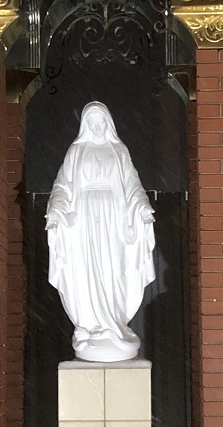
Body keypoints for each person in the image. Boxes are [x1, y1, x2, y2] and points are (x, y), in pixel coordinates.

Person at [46, 102, 156, 362]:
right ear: (85, 125)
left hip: (113, 220)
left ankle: (113, 322)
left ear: (108, 123)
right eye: (92, 123)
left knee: (112, 270)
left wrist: (142, 206)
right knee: (87, 270)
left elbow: (132, 185)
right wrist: (56, 210)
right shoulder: (77, 151)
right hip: (84, 221)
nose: (97, 127)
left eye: (101, 122)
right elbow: (63, 186)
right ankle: (90, 323)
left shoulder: (118, 151)